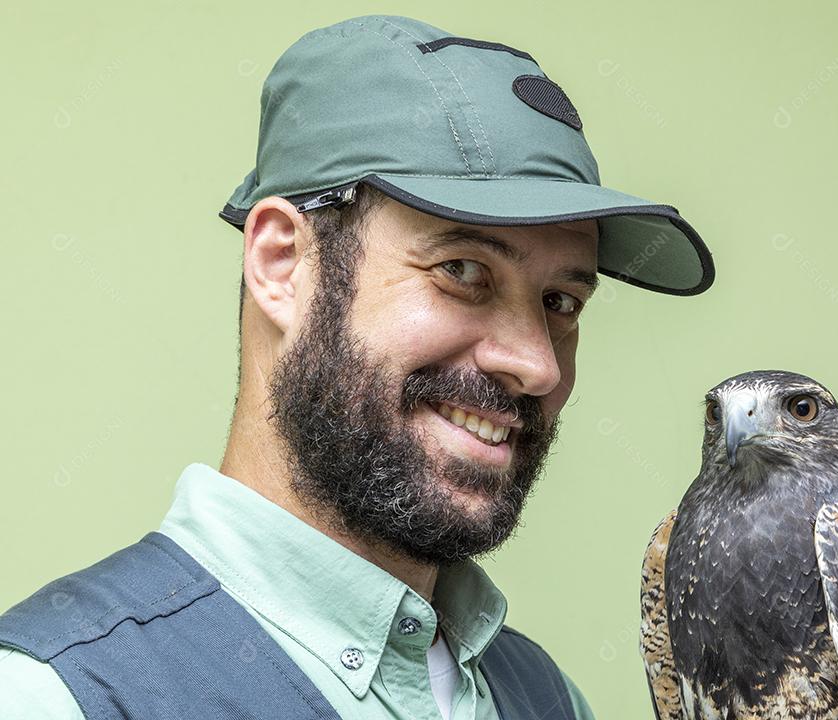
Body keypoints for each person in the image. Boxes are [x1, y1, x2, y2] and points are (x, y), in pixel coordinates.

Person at [0, 14, 714, 719]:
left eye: (561, 300)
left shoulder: (547, 699)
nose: (536, 365)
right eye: (462, 270)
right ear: (283, 264)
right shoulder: (56, 696)